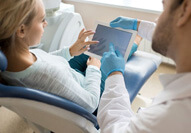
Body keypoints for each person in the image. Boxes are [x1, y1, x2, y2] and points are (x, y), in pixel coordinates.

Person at [98, 0, 191, 132]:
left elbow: (115, 129)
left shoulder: (172, 115)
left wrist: (114, 75)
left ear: (185, 9)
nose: (157, 19)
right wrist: (138, 26)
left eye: (164, 8)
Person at [0, 0, 102, 113]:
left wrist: (70, 51)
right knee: (110, 59)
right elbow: (91, 103)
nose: (46, 23)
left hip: (70, 76)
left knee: (89, 52)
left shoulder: (11, 58)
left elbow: (43, 60)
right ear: (21, 30)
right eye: (42, 20)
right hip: (90, 94)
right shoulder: (50, 76)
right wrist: (94, 69)